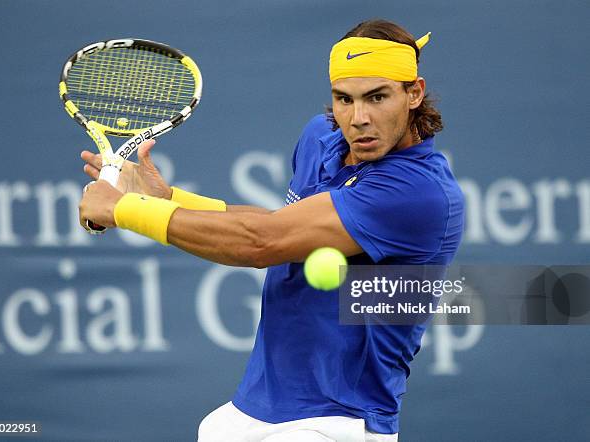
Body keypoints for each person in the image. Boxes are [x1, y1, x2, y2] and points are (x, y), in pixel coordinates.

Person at [79, 19, 464, 442]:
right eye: (344, 99)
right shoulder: (321, 137)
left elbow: (262, 241)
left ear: (414, 93)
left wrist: (125, 209)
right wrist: (165, 198)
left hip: (335, 421)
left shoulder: (417, 191)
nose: (358, 118)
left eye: (377, 97)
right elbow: (281, 224)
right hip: (255, 407)